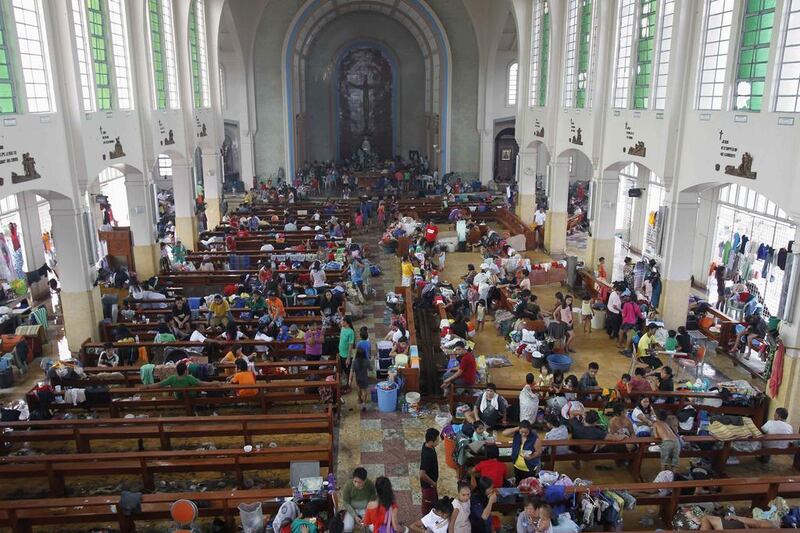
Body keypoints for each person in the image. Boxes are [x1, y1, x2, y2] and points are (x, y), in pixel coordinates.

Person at [144, 360, 218, 398]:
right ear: (185, 371)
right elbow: (203, 384)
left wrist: (147, 386)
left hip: (179, 397)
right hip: (190, 397)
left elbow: (159, 384)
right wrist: (215, 383)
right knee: (197, 386)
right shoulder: (189, 378)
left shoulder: (172, 378)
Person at [340, 467, 377, 532]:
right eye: (355, 481)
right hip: (352, 509)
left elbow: (372, 499)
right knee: (346, 529)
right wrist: (354, 516)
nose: (356, 484)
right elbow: (346, 502)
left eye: (359, 482)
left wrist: (367, 514)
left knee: (374, 528)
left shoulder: (370, 485)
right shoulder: (348, 485)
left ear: (365, 481)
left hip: (366, 509)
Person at [420, 427, 440, 515]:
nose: (438, 441)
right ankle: (425, 523)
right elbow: (422, 474)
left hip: (432, 484)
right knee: (427, 505)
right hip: (428, 486)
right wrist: (432, 483)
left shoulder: (428, 445)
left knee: (434, 501)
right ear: (431, 441)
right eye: (437, 440)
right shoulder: (427, 456)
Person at [339, 316, 355, 382]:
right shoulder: (342, 328)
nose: (341, 322)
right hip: (341, 353)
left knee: (348, 371)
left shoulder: (351, 332)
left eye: (342, 321)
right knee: (343, 369)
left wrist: (348, 358)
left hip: (346, 355)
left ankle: (349, 384)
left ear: (346, 322)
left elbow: (350, 346)